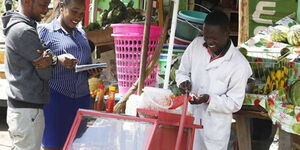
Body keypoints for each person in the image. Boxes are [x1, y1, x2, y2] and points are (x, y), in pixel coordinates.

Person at [176, 10, 252, 150]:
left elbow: (234, 103)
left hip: (214, 130)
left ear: (226, 33)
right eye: (206, 37)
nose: (209, 41)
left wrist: (208, 99)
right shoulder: (196, 45)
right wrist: (183, 81)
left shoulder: (239, 64)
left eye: (214, 38)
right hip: (189, 118)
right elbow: (182, 71)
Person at [36, 0, 101, 149]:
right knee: (53, 145)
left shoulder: (82, 34)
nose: (78, 17)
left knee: (77, 145)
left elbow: (85, 65)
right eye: (74, 11)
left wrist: (92, 71)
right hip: (56, 98)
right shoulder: (45, 31)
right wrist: (57, 61)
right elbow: (36, 63)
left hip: (82, 99)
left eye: (81, 13)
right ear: (62, 7)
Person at [1, 0, 53, 149]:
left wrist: (49, 57)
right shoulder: (24, 31)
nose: (46, 10)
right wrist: (51, 60)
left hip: (23, 109)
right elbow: (46, 73)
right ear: (27, 2)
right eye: (43, 5)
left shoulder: (22, 26)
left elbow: (46, 57)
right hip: (27, 110)